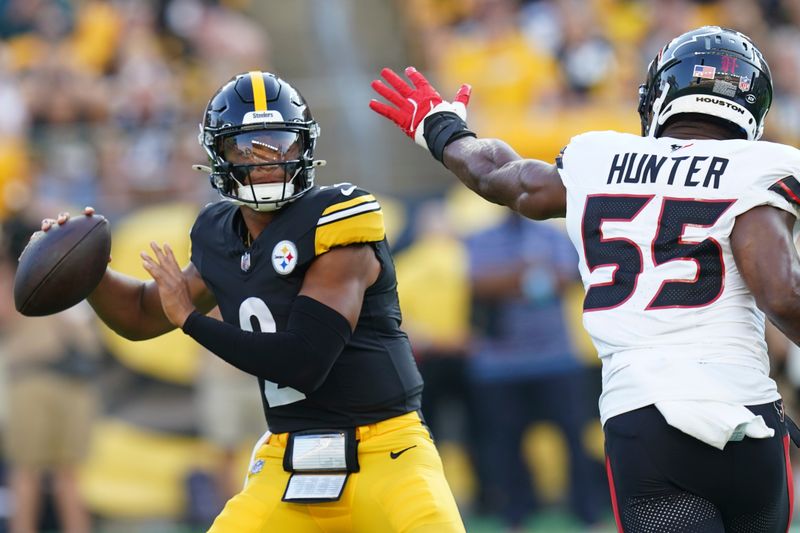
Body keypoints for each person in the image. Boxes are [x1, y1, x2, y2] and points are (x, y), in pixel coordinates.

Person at [370, 26, 800, 532]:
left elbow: (499, 177)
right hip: (744, 413)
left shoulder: (599, 159)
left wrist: (442, 128)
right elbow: (782, 294)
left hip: (646, 419)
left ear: (662, 91)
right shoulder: (763, 165)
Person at [44, 71, 465, 533]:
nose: (266, 161)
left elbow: (304, 361)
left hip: (386, 452)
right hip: (289, 458)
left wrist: (191, 321)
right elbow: (144, 315)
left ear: (304, 150)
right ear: (217, 156)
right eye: (246, 147)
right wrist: (87, 271)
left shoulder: (339, 225)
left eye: (280, 144)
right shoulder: (218, 235)